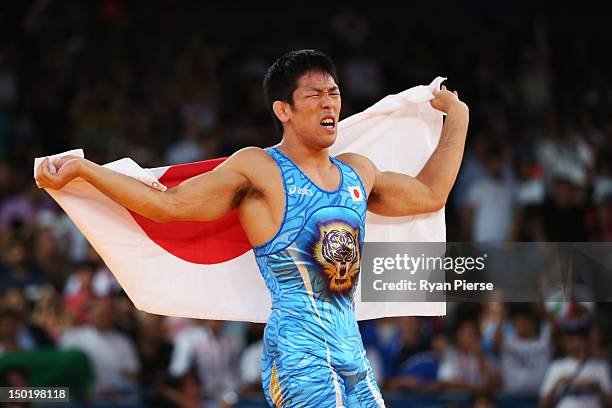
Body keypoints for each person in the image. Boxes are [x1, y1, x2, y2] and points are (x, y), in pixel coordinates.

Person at [35, 49, 469, 407]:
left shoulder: (358, 173)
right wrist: (85, 170)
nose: (329, 103)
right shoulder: (259, 169)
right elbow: (168, 205)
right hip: (298, 349)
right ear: (284, 110)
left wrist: (459, 116)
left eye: (334, 93)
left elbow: (430, 194)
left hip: (349, 348)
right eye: (314, 94)